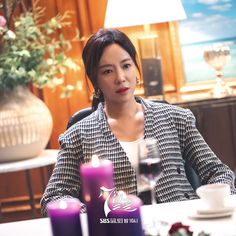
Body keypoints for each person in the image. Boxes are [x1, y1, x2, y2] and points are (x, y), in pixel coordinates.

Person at [41, 28, 236, 215]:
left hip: (179, 226)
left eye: (126, 66)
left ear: (136, 68)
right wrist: (92, 215)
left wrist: (205, 207)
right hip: (119, 229)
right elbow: (54, 197)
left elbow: (218, 172)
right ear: (95, 79)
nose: (121, 78)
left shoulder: (177, 118)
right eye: (108, 71)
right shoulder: (78, 135)